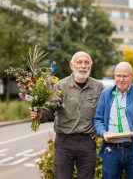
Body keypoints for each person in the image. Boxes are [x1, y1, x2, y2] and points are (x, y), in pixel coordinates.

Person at [30, 51, 104, 179]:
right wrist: (38, 114)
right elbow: (50, 111)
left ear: (90, 66)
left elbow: (106, 112)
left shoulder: (99, 87)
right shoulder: (60, 86)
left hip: (87, 141)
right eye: (79, 62)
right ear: (72, 65)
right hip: (64, 142)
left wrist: (99, 131)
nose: (83, 66)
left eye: (86, 63)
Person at [94, 62, 133, 179]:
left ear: (132, 76)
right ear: (114, 76)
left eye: (125, 76)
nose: (121, 79)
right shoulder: (106, 94)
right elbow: (98, 119)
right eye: (118, 76)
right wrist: (103, 133)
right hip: (111, 149)